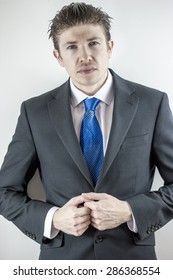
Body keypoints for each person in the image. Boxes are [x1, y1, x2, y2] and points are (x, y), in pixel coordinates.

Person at [0, 2, 173, 260]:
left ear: (110, 47)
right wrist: (54, 218)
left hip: (132, 264)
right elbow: (4, 192)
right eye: (72, 47)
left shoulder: (152, 103)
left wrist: (129, 210)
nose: (85, 57)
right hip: (61, 264)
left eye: (93, 43)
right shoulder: (33, 112)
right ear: (58, 57)